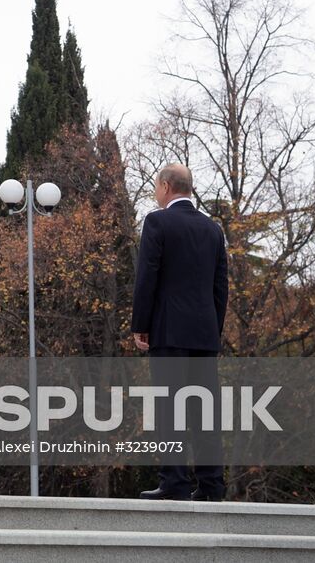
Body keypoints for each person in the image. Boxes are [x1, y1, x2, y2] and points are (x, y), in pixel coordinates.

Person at [131, 164, 228, 502]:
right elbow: (220, 287)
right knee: (204, 411)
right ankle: (211, 485)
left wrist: (140, 325)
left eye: (156, 186)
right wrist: (212, 331)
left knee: (168, 409)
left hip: (169, 331)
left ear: (166, 186)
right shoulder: (213, 229)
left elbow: (147, 276)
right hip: (204, 335)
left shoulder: (157, 222)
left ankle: (174, 482)